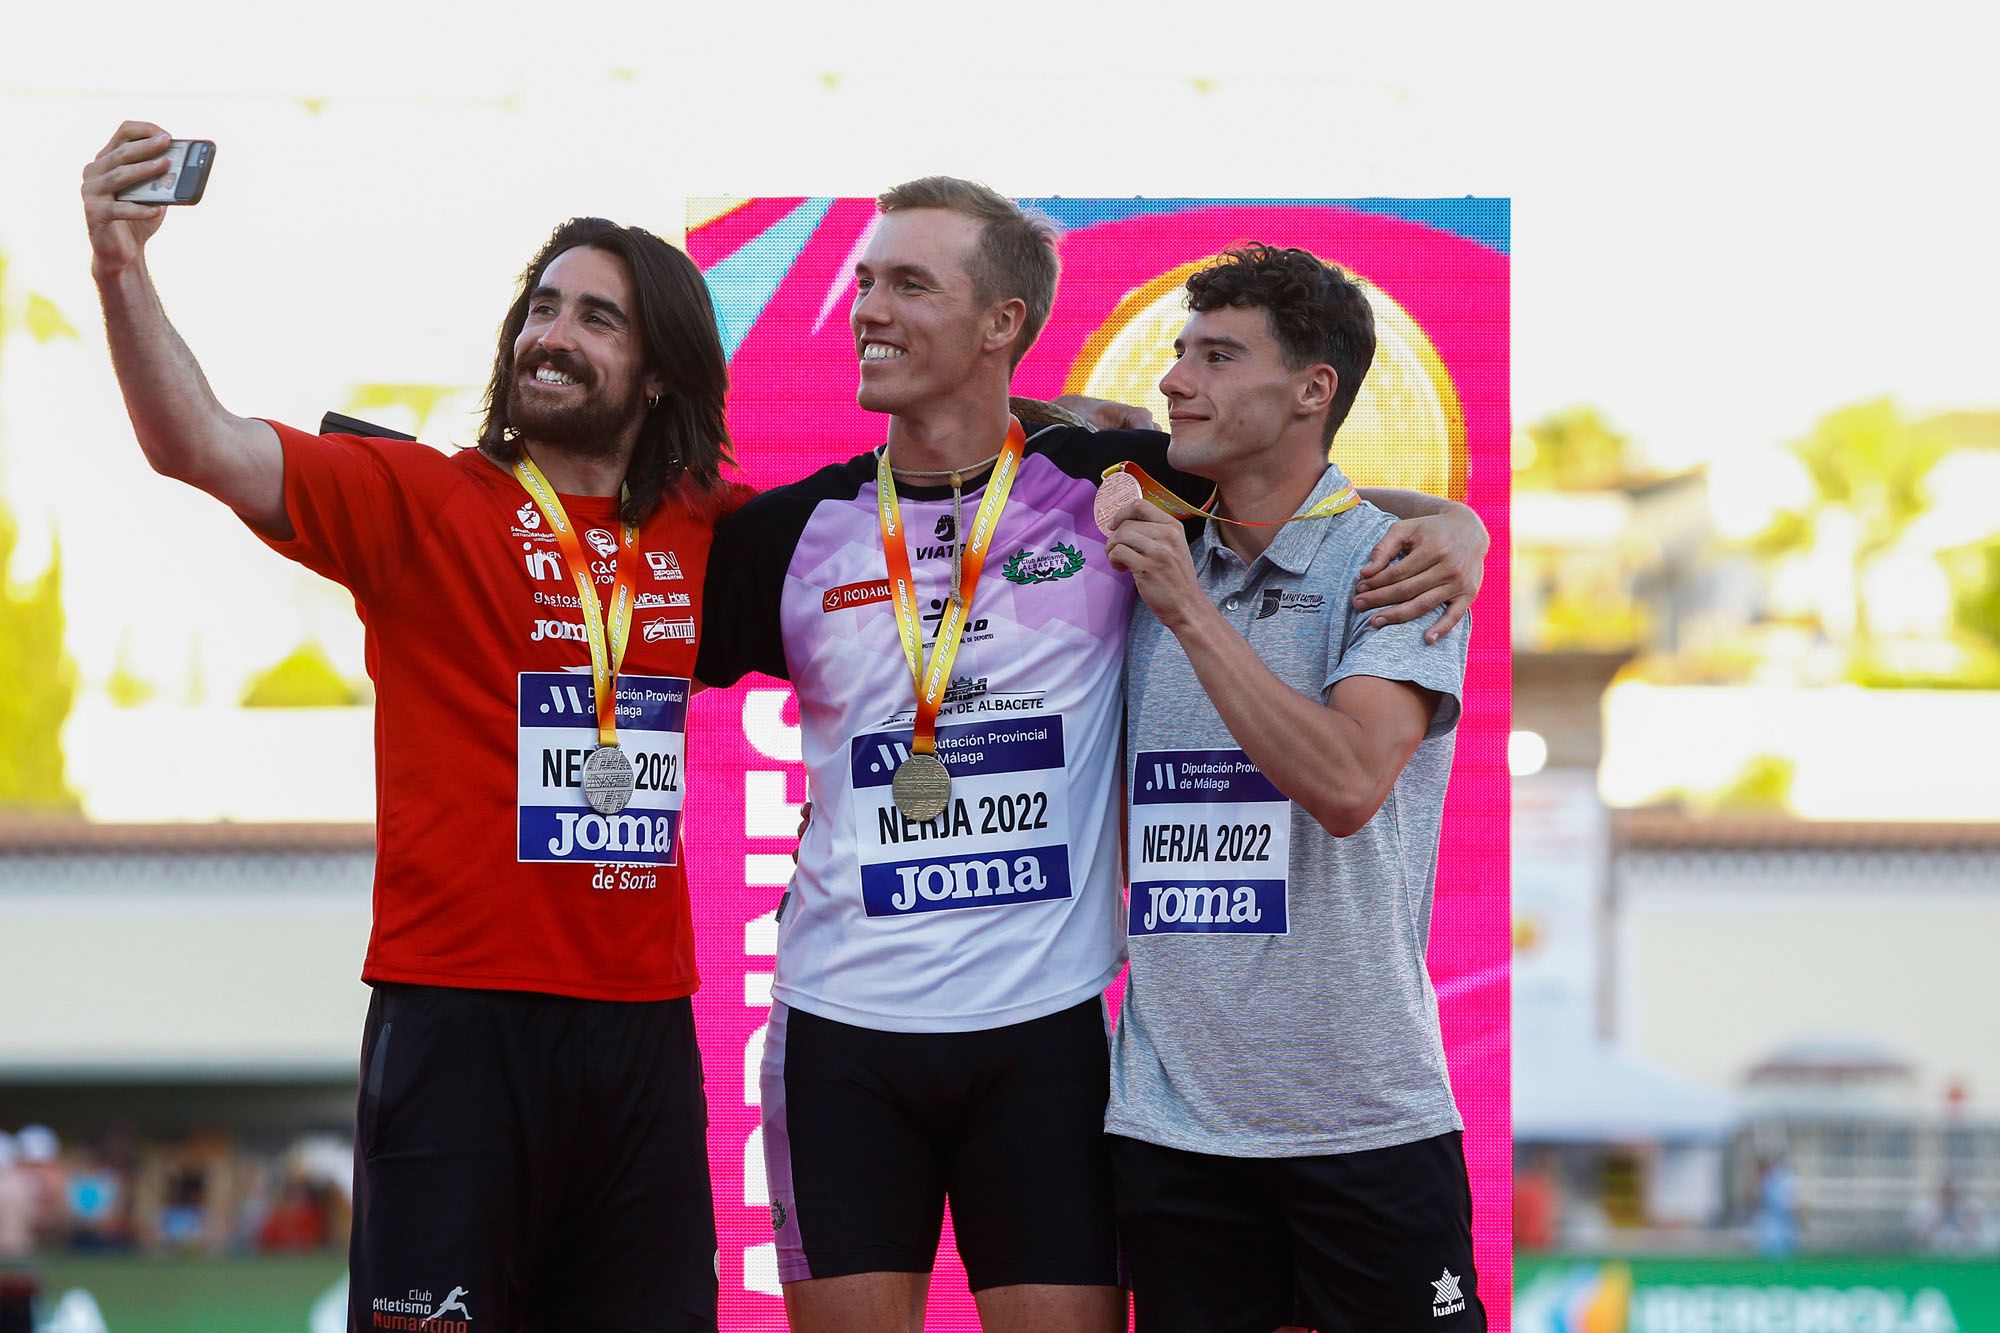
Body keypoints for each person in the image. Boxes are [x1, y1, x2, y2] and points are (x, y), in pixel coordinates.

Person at [695, 180, 1487, 1333]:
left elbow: (1303, 506)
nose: (866, 306)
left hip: (1075, 1048)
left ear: (1000, 319)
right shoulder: (798, 531)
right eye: (863, 278)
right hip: (872, 1040)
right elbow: (617, 641)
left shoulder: (1116, 496)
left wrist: (1453, 527)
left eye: (909, 282)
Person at [83, 121, 738, 1331]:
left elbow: (896, 518)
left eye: (598, 317)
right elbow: (200, 443)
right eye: (542, 306)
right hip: (456, 1024)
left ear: (657, 374)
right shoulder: (424, 499)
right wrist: (121, 267)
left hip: (643, 1035)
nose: (551, 333)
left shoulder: (710, 530)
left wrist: (1067, 437)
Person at [1098, 244, 1486, 1332]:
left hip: (1359, 1123)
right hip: (1172, 1130)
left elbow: (1348, 780)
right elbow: (1004, 413)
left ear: (1313, 390)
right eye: (1180, 351)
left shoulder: (1395, 563)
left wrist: (1184, 609)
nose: (1177, 380)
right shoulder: (1160, 544)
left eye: (1218, 356)